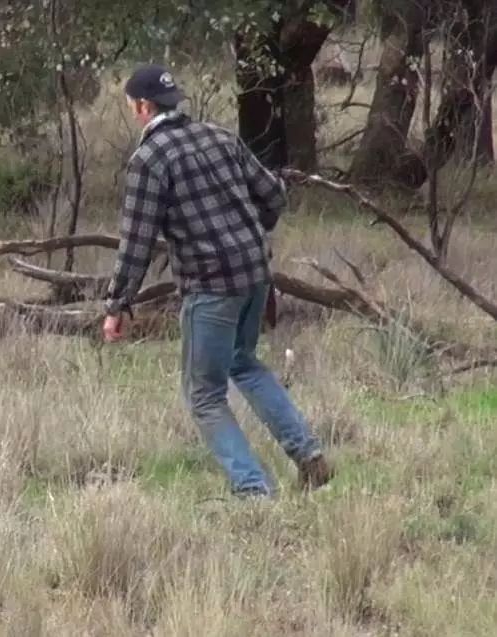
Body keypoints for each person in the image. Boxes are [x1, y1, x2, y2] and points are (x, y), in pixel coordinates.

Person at [101, 63, 333, 497]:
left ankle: (253, 490)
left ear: (144, 107)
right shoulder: (220, 137)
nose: (133, 112)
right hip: (255, 275)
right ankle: (309, 456)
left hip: (211, 287)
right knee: (243, 362)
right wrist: (245, 233)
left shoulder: (150, 158)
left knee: (203, 395)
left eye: (133, 105)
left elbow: (136, 241)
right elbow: (274, 196)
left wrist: (117, 305)